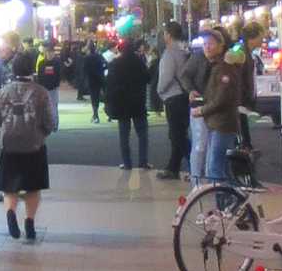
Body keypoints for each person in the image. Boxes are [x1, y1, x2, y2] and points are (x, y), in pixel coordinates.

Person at [0, 45, 57, 241]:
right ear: (32, 69)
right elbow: (50, 120)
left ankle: (11, 212)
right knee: (33, 186)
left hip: (10, 145)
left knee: (10, 186)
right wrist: (42, 132)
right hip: (34, 145)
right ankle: (29, 222)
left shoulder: (3, 92)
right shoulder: (41, 92)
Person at [197, 29, 248, 184]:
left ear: (221, 46)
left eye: (211, 44)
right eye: (204, 44)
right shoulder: (216, 66)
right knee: (223, 168)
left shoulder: (225, 67)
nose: (207, 47)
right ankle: (233, 202)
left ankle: (224, 204)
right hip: (217, 123)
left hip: (223, 124)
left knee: (215, 168)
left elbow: (222, 98)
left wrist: (201, 110)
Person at [152, 19, 194, 181]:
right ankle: (173, 167)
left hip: (173, 97)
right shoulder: (184, 50)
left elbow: (166, 77)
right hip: (185, 95)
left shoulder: (170, 53)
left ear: (168, 35)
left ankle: (195, 166)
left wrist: (159, 91)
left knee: (177, 136)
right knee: (179, 133)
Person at [104, 34, 152, 176]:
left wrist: (108, 102)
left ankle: (127, 163)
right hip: (138, 104)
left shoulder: (115, 64)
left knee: (124, 135)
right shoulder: (139, 62)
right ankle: (143, 162)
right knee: (142, 134)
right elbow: (148, 79)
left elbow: (109, 85)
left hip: (122, 104)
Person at [80, 41, 107, 123]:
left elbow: (84, 69)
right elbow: (105, 64)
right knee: (103, 95)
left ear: (88, 49)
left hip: (91, 80)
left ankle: (95, 115)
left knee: (94, 97)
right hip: (100, 78)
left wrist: (83, 79)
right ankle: (106, 112)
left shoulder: (86, 58)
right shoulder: (99, 56)